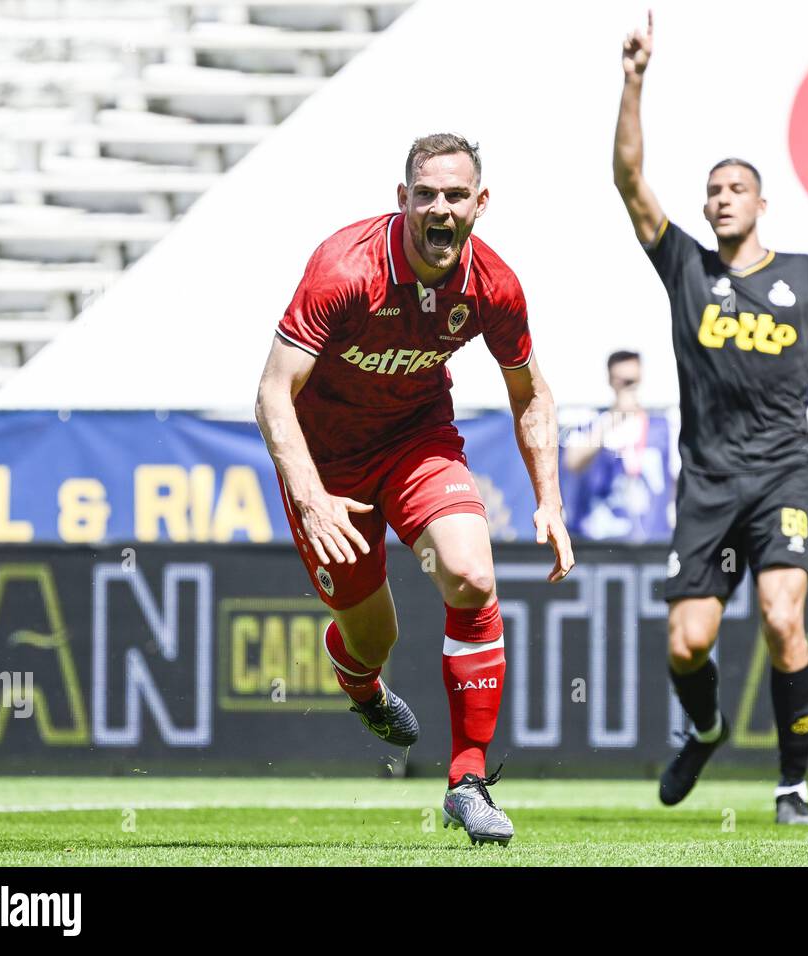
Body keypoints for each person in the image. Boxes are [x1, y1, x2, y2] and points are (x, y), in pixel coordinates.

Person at [614, 12, 808, 824]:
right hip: (708, 480)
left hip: (781, 472)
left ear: (762, 203)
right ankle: (706, 728)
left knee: (783, 618)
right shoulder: (684, 267)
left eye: (735, 188)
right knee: (688, 644)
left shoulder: (807, 276)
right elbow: (631, 181)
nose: (719, 199)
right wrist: (634, 79)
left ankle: (792, 784)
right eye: (711, 191)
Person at [255, 133, 574, 847]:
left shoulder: (493, 285)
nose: (440, 208)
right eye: (424, 194)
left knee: (469, 574)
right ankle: (360, 680)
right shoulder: (344, 267)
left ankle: (467, 781)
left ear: (480, 204)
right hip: (327, 466)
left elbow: (531, 395)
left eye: (455, 196)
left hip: (416, 442)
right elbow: (274, 395)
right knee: (377, 636)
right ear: (402, 200)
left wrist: (549, 499)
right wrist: (308, 494)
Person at [562, 350, 672, 542]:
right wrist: (613, 417)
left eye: (632, 382)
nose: (627, 388)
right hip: (598, 539)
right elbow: (572, 462)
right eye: (621, 382)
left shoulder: (662, 426)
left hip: (651, 539)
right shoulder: (593, 423)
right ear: (610, 381)